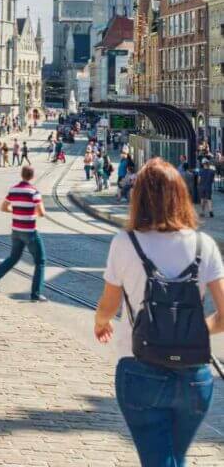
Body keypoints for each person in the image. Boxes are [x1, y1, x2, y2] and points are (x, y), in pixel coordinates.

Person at [94, 158, 224, 467]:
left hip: (139, 368)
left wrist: (100, 323)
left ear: (138, 198)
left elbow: (108, 305)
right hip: (194, 376)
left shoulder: (124, 243)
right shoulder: (204, 245)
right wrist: (192, 331)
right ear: (181, 195)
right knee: (171, 458)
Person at [0, 165, 47, 301]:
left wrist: (16, 211)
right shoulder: (34, 192)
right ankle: (35, 294)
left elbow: (3, 207)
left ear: (22, 175)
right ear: (32, 176)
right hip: (30, 231)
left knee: (13, 257)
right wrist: (33, 213)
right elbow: (42, 213)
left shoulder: (13, 189)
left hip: (16, 231)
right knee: (40, 261)